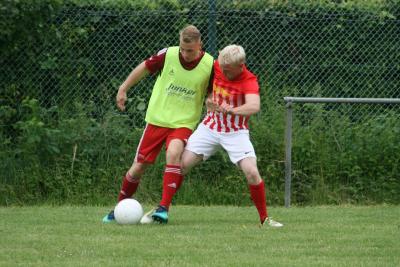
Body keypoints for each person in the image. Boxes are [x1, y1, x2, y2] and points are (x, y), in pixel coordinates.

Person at [103, 25, 214, 224]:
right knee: (138, 167)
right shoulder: (168, 54)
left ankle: (163, 209)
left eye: (190, 50)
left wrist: (211, 101)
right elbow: (144, 68)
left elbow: (213, 92)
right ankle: (118, 209)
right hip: (157, 119)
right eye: (182, 49)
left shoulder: (210, 64)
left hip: (184, 122)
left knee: (173, 153)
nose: (185, 54)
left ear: (200, 45)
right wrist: (123, 88)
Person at [181, 44, 283, 227]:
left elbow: (254, 106)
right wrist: (208, 98)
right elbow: (207, 84)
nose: (224, 72)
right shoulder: (218, 65)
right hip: (210, 127)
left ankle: (264, 219)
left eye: (228, 70)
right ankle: (162, 209)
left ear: (241, 65)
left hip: (236, 133)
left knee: (252, 172)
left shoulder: (249, 80)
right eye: (223, 68)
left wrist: (233, 110)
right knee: (181, 165)